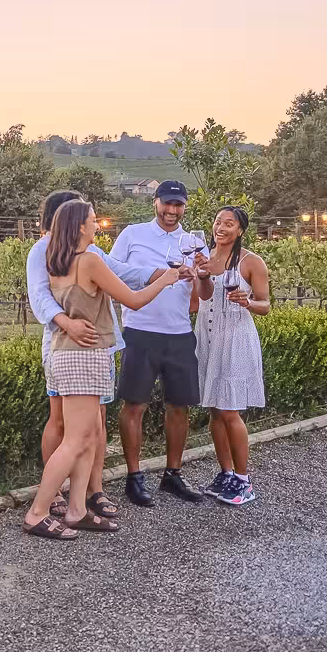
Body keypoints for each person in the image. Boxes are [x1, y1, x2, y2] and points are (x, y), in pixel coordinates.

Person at [23, 200, 182, 540]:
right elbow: (133, 299)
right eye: (95, 221)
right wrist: (167, 278)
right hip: (85, 355)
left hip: (69, 353)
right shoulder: (89, 261)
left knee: (86, 436)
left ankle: (77, 508)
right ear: (80, 226)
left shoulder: (57, 261)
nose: (100, 225)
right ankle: (37, 512)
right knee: (76, 440)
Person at [108, 181, 209, 506]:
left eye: (178, 205)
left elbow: (199, 301)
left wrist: (199, 278)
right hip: (140, 330)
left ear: (184, 206)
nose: (172, 211)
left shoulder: (194, 243)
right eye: (167, 204)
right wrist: (152, 275)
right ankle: (134, 477)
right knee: (134, 405)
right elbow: (111, 275)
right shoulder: (132, 235)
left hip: (179, 333)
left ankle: (173, 475)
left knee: (179, 406)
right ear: (155, 203)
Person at [194, 205, 271, 506]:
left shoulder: (252, 262)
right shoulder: (206, 257)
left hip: (235, 337)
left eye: (229, 223)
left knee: (229, 411)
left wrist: (248, 301)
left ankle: (244, 480)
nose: (221, 228)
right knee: (214, 408)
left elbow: (265, 304)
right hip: (208, 336)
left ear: (240, 230)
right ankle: (226, 474)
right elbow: (202, 295)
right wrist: (201, 274)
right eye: (217, 222)